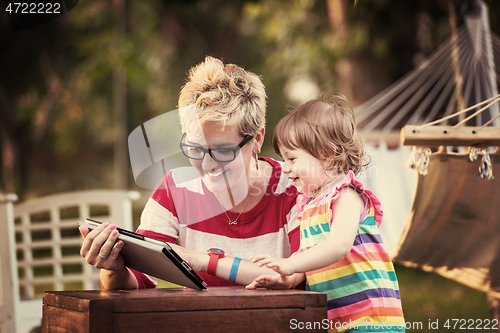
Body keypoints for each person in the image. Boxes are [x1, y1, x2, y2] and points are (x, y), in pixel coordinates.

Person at [79, 56, 301, 289]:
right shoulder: (175, 191)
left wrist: (204, 261)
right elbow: (140, 281)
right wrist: (113, 270)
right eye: (195, 149)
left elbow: (302, 278)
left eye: (222, 151)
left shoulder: (295, 187)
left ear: (256, 139)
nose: (206, 165)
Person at [246, 96, 406, 332]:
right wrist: (287, 277)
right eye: (283, 159)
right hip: (336, 318)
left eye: (292, 158)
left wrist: (290, 264)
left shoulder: (346, 195)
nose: (286, 168)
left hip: (370, 318)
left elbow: (339, 245)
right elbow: (308, 255)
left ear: (327, 154)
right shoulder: (309, 204)